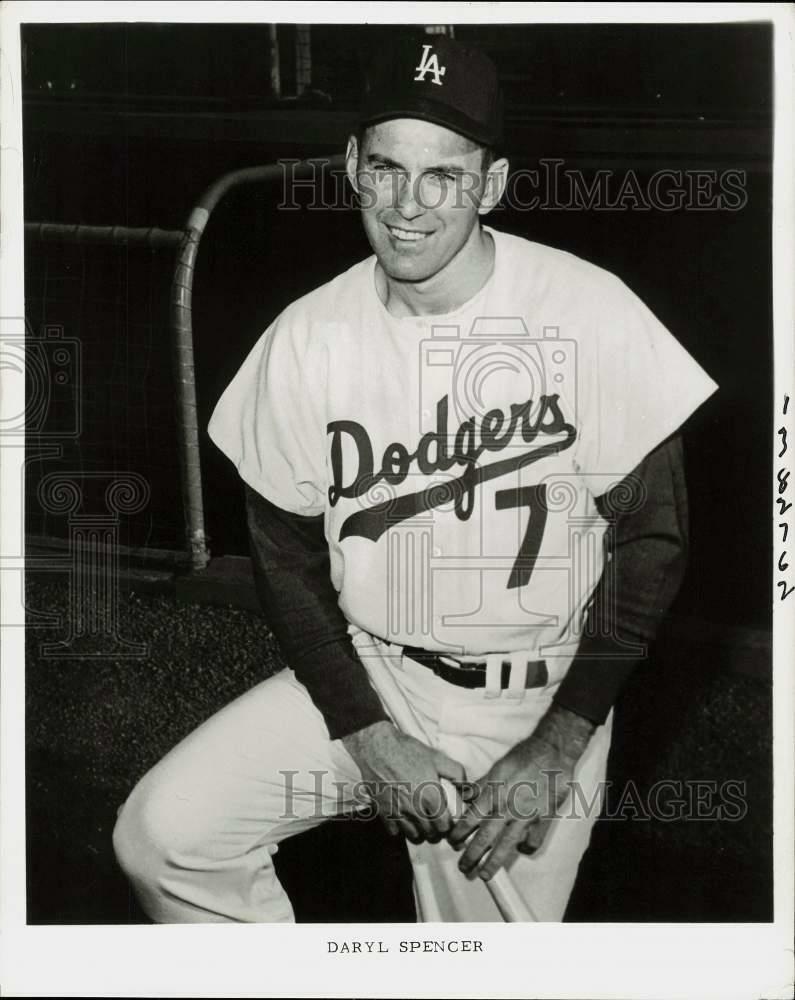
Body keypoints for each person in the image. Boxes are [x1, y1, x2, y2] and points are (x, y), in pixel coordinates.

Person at [113, 35, 718, 922]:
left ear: (492, 184)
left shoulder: (586, 310)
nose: (408, 205)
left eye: (443, 175)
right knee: (166, 836)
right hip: (371, 673)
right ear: (353, 165)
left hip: (536, 701)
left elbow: (652, 539)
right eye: (387, 168)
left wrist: (559, 744)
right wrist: (363, 731)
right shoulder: (307, 337)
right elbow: (283, 556)